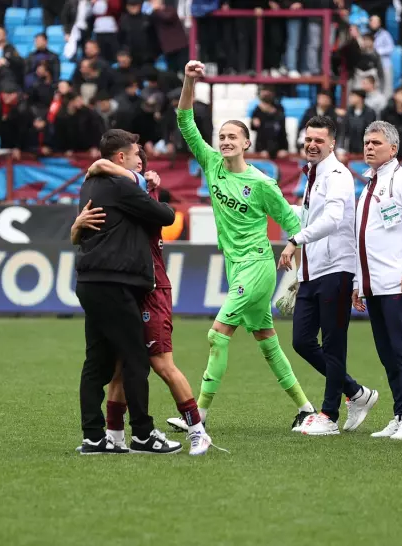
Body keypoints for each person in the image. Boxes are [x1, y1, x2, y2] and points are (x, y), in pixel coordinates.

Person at [177, 61, 316, 430]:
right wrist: (189, 81)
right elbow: (185, 123)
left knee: (217, 334)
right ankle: (305, 408)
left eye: (231, 138)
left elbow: (294, 224)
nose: (224, 142)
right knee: (267, 341)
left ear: (246, 143)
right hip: (235, 264)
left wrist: (294, 257)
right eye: (221, 137)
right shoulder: (211, 164)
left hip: (257, 264)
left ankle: (198, 416)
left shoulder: (262, 184)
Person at [72, 148, 213, 456]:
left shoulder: (132, 193)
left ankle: (197, 430)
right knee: (123, 364)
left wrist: (138, 180)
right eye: (136, 156)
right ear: (120, 158)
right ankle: (115, 435)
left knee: (158, 363)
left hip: (152, 288)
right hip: (125, 285)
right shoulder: (120, 191)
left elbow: (165, 214)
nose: (141, 162)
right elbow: (99, 169)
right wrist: (75, 227)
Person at [278, 116, 378, 436]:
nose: (311, 144)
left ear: (332, 143)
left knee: (334, 345)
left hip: (337, 269)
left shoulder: (337, 175)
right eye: (308, 139)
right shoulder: (313, 174)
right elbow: (314, 219)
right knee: (302, 341)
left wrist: (295, 241)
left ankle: (329, 416)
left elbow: (334, 219)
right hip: (313, 271)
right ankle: (357, 393)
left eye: (319, 140)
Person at [351, 121, 402, 440]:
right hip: (374, 285)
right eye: (366, 142)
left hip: (399, 284)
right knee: (387, 352)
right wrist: (359, 282)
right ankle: (401, 412)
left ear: (393, 148)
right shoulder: (370, 183)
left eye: (376, 143)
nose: (369, 147)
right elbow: (362, 239)